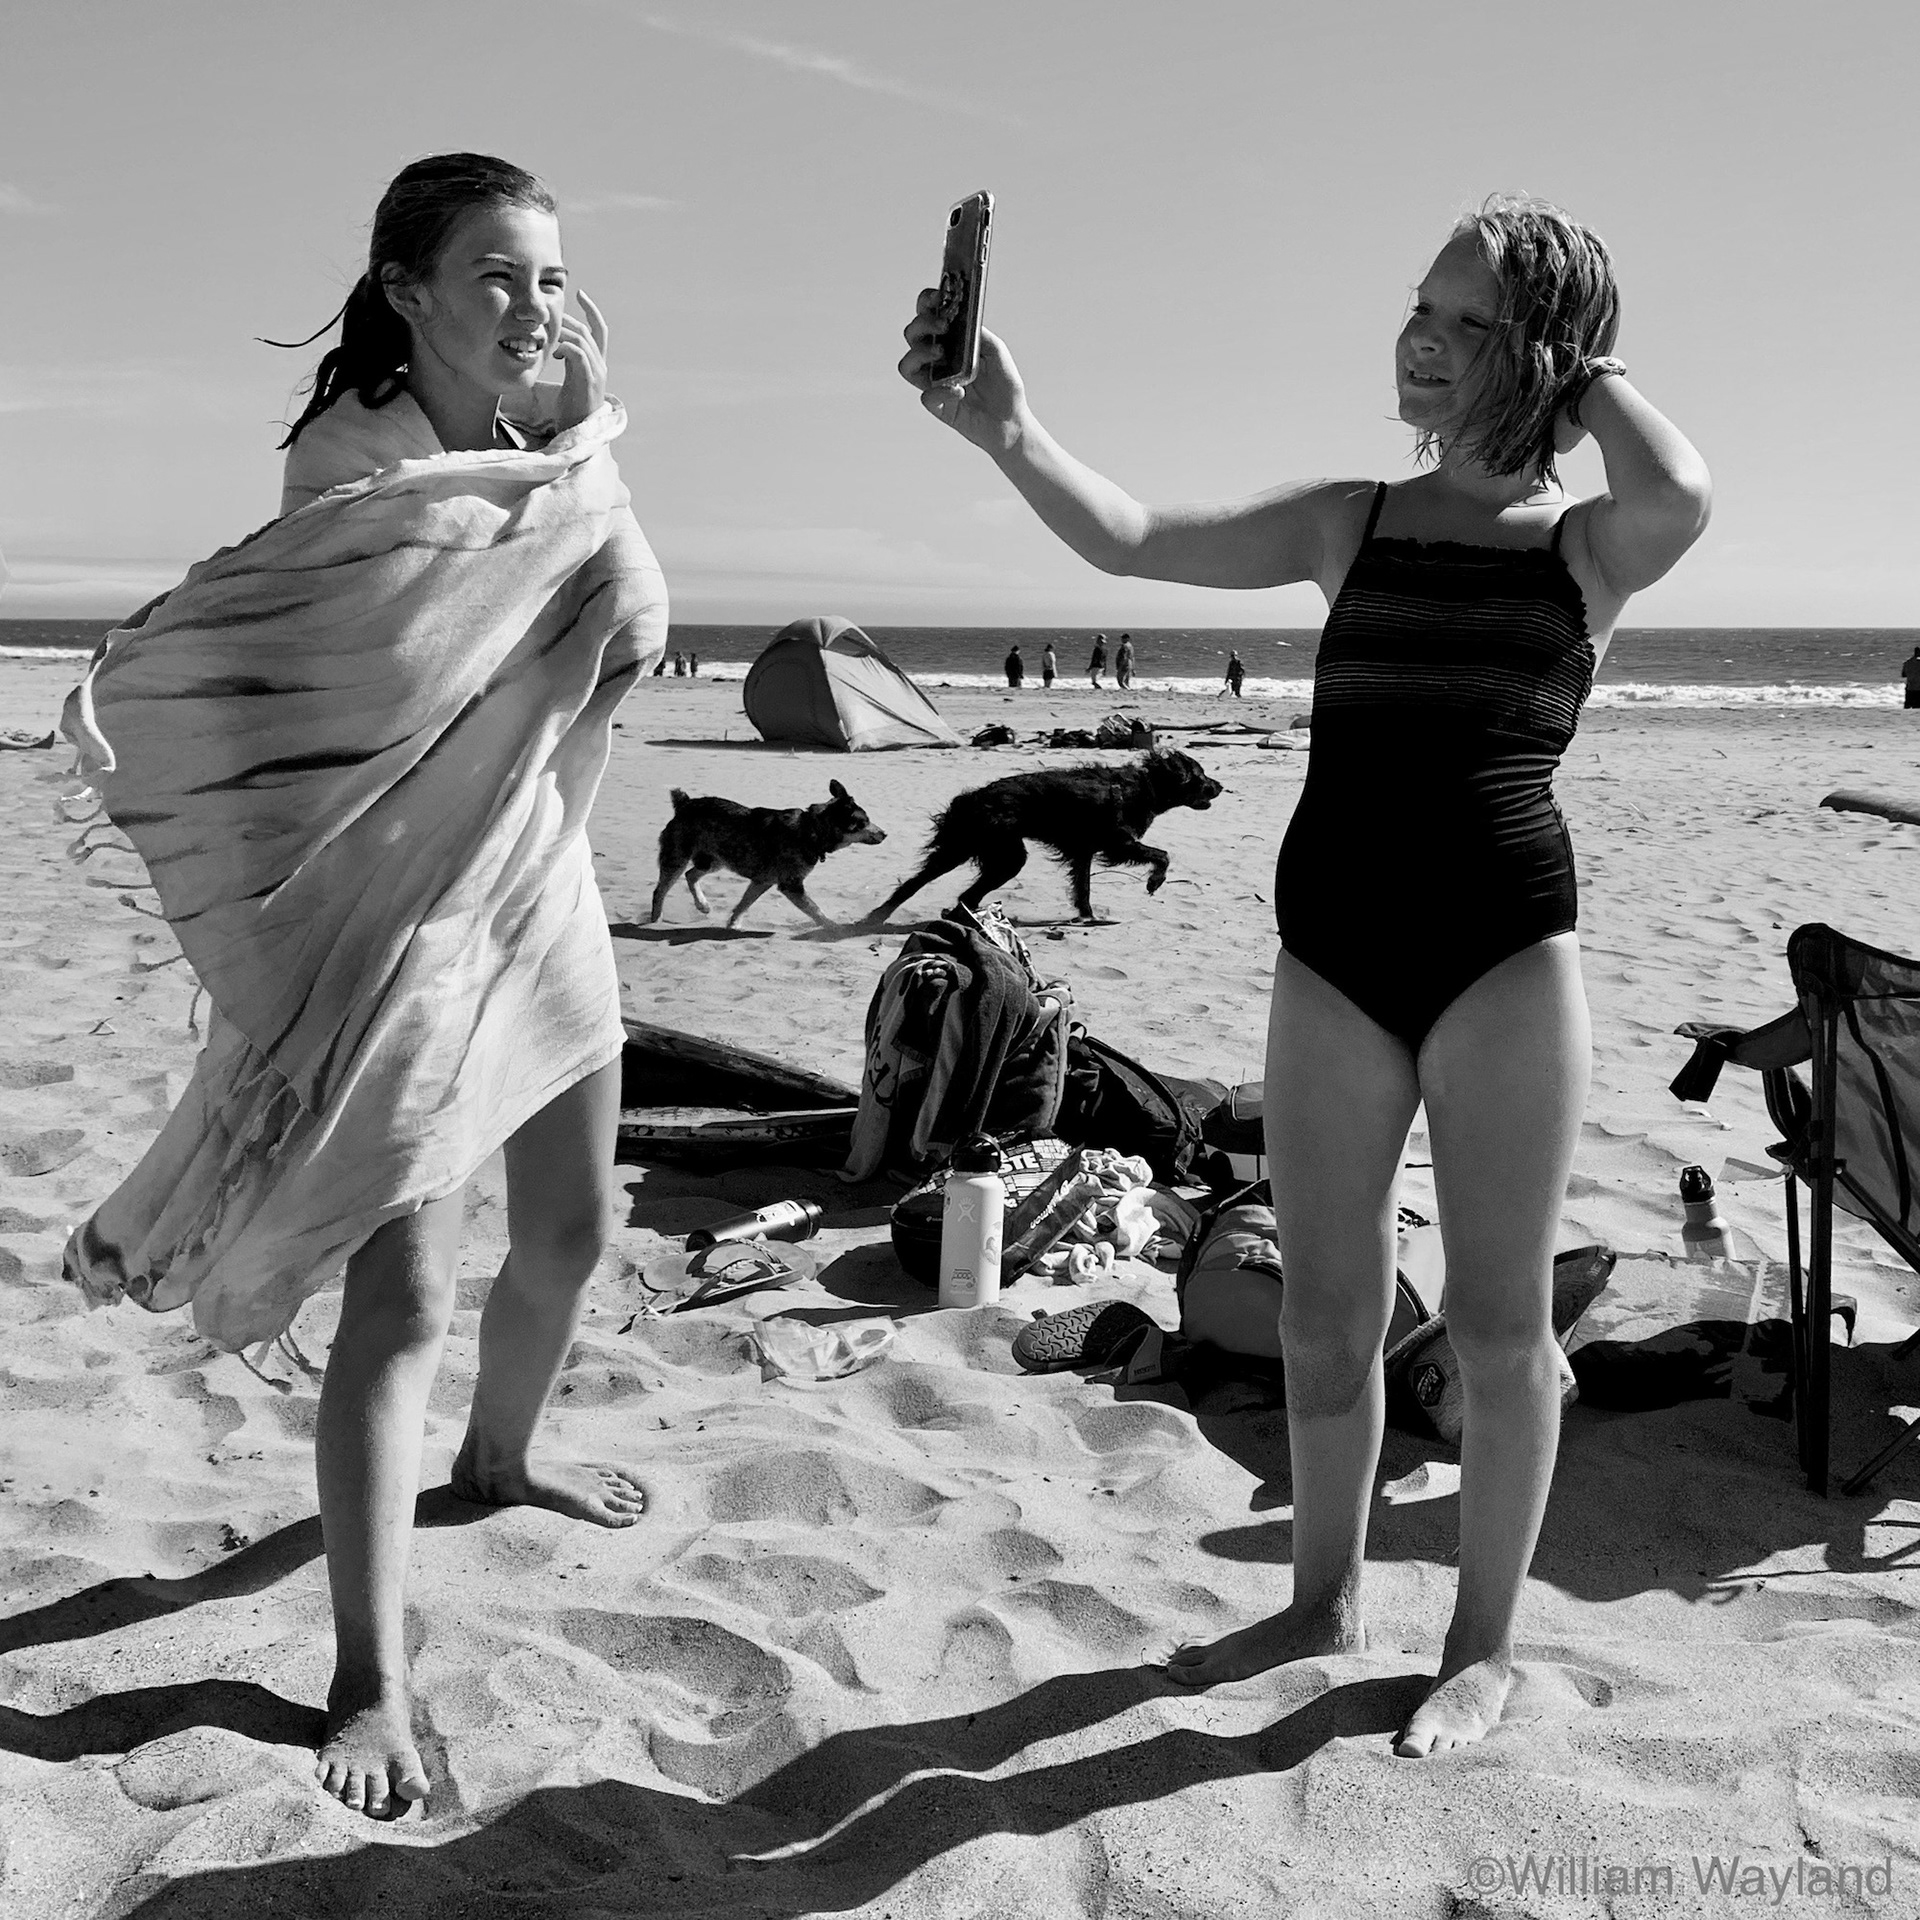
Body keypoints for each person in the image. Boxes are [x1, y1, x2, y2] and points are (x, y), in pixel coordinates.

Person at [900, 194, 1709, 1757]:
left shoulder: (1590, 547)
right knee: (1326, 1320)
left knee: (1494, 1326)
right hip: (1331, 954)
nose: (1422, 339)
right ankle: (1319, 1601)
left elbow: (1680, 483)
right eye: (1419, 305)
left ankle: (1480, 1651)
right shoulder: (1354, 521)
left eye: (1469, 323)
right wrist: (1006, 426)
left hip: (1502, 962)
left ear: (1542, 353)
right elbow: (1130, 539)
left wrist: (1576, 368)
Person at [63, 153, 667, 1818]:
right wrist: (580, 470)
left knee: (571, 1238)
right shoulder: (353, 473)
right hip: (397, 926)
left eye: (550, 277)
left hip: (537, 882)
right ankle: (369, 1674)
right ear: (405, 289)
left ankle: (503, 1461)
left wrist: (590, 441)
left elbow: (630, 626)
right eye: (495, 275)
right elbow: (381, 678)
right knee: (400, 1304)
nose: (533, 307)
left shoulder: (553, 454)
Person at [1903, 645, 1920, 711]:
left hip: (1910, 687)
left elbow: (1904, 674)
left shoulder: (1907, 663)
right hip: (1918, 688)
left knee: (1908, 707)